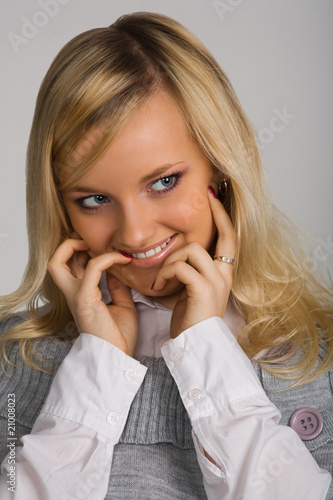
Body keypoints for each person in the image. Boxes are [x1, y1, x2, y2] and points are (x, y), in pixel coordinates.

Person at [0, 11, 332, 500]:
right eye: (93, 199)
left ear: (221, 169)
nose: (134, 233)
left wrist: (206, 348)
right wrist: (98, 366)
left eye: (163, 181)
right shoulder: (11, 360)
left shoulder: (317, 358)